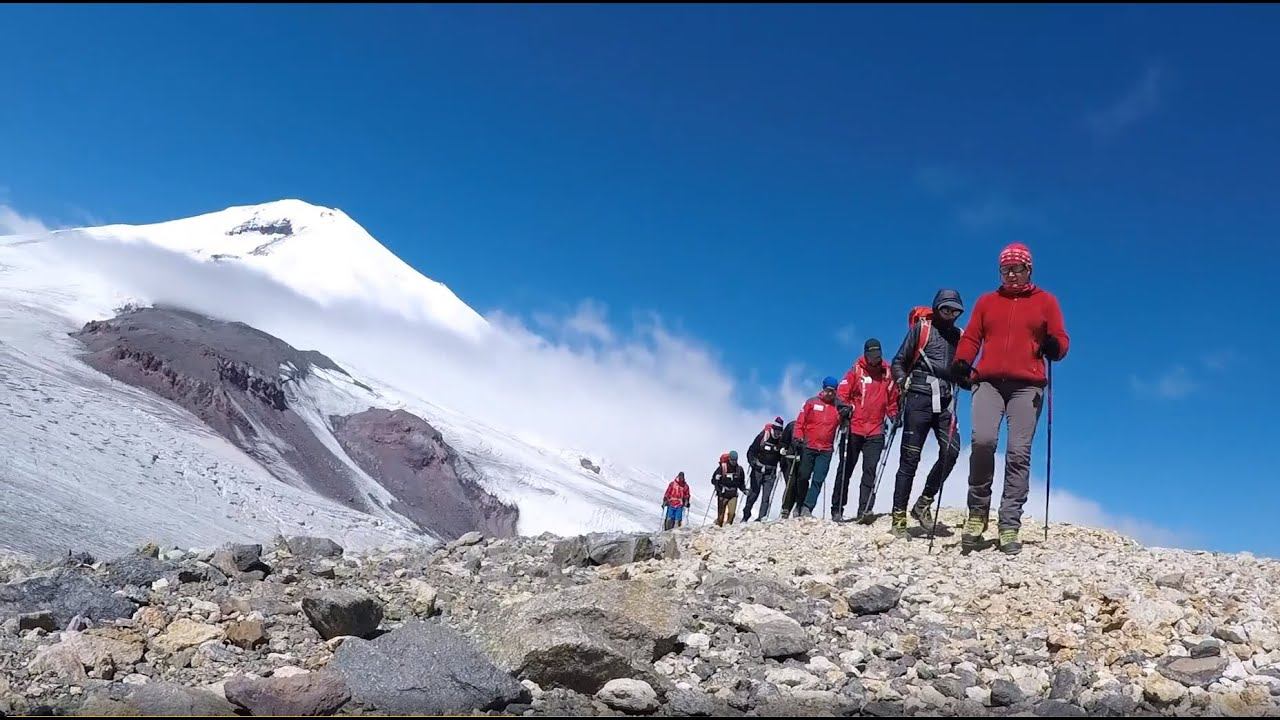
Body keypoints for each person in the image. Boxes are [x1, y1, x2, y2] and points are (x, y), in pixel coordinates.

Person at [952, 242, 1069, 555]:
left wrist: (1054, 347)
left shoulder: (1046, 301)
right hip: (988, 382)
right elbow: (972, 337)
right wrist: (962, 361)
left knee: (1018, 452)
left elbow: (1060, 338)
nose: (1012, 275)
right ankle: (977, 513)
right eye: (1006, 269)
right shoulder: (987, 302)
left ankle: (1009, 523)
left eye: (1018, 268)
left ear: (1029, 269)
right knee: (983, 441)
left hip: (1027, 385)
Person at [889, 289, 966, 539]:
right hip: (919, 396)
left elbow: (960, 372)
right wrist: (902, 381)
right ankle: (898, 517)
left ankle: (923, 502)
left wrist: (975, 381)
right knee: (910, 459)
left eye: (955, 311)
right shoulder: (921, 329)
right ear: (937, 308)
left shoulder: (959, 337)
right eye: (946, 309)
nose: (951, 315)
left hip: (945, 400)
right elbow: (898, 361)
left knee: (952, 451)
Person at [833, 339, 901, 522]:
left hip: (876, 430)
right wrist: (844, 408)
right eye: (871, 357)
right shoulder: (856, 371)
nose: (874, 360)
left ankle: (865, 509)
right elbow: (842, 394)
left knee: (870, 469)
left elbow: (892, 400)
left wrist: (894, 415)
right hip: (854, 427)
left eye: (877, 356)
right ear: (865, 355)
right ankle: (837, 508)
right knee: (846, 468)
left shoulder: (887, 374)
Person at [783, 376, 845, 519]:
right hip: (809, 446)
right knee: (803, 477)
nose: (830, 394)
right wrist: (798, 437)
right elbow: (800, 422)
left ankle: (807, 507)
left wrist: (846, 415)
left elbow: (845, 423)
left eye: (833, 391)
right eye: (828, 390)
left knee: (818, 479)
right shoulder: (811, 403)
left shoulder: (838, 407)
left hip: (826, 449)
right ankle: (798, 504)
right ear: (823, 389)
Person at [743, 416, 786, 522]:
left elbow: (782, 458)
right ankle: (746, 516)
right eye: (776, 431)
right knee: (753, 494)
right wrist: (753, 463)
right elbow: (751, 451)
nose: (777, 433)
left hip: (770, 473)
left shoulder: (781, 442)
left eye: (779, 431)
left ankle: (761, 518)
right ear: (772, 429)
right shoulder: (763, 436)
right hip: (758, 470)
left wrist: (783, 458)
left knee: (766, 497)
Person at [711, 451, 746, 527]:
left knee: (732, 513)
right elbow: (713, 480)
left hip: (733, 494)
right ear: (729, 459)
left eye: (735, 460)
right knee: (721, 516)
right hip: (722, 494)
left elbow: (741, 483)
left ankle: (727, 527)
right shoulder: (722, 468)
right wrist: (717, 484)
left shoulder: (739, 470)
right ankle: (718, 525)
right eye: (732, 460)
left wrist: (744, 490)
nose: (734, 462)